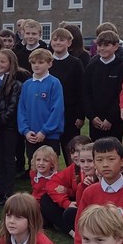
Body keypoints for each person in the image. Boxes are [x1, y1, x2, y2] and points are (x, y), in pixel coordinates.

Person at [0, 49, 22, 204]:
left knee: (8, 159)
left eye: (3, 62)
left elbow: (12, 108)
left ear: (10, 64)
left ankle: (8, 191)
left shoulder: (15, 84)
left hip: (8, 128)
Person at [17, 48, 64, 160]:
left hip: (50, 135)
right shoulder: (27, 85)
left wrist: (44, 131)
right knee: (34, 165)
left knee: (50, 165)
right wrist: (26, 131)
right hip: (31, 135)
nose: (36, 65)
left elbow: (57, 110)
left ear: (49, 64)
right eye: (33, 63)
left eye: (40, 62)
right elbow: (21, 109)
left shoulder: (54, 83)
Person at [82, 30, 123, 142]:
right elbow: (85, 93)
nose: (102, 48)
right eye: (99, 45)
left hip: (114, 122)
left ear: (116, 46)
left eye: (106, 45)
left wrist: (110, 119)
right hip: (96, 121)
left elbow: (121, 94)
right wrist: (92, 117)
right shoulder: (91, 67)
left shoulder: (122, 67)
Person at [48, 27, 84, 163]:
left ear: (69, 43)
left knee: (71, 150)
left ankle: (75, 180)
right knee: (51, 151)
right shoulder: (46, 62)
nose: (58, 42)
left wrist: (81, 115)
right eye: (55, 39)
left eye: (62, 40)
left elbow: (81, 90)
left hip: (70, 114)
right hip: (50, 114)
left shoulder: (75, 63)